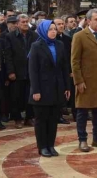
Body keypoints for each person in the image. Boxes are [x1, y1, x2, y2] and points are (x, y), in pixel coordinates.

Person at [71, 9, 97, 152]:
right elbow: (75, 61)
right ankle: (82, 140)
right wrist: (78, 81)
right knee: (82, 112)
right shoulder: (79, 36)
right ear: (88, 21)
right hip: (86, 81)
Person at [29, 20, 71, 157]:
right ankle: (42, 147)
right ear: (43, 31)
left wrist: (66, 86)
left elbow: (65, 68)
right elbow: (33, 70)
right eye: (50, 29)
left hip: (57, 88)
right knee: (42, 120)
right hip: (41, 89)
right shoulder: (36, 46)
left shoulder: (59, 45)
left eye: (54, 29)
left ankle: (51, 145)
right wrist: (36, 90)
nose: (53, 31)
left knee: (53, 119)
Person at [3, 14, 37, 128]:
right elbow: (8, 55)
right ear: (17, 24)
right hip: (16, 71)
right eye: (23, 22)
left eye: (27, 21)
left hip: (31, 70)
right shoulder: (10, 36)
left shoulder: (34, 35)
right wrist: (10, 71)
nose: (25, 23)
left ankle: (29, 117)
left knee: (30, 95)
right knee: (16, 96)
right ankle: (17, 118)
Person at [54, 16, 75, 123]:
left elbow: (72, 56)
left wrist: (71, 70)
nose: (61, 26)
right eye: (58, 24)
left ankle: (69, 113)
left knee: (68, 91)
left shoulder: (68, 39)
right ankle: (58, 115)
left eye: (62, 24)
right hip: (56, 71)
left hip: (67, 70)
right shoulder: (52, 39)